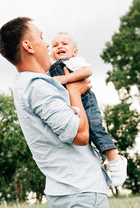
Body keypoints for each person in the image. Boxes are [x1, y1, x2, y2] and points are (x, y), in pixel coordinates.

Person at [0, 17, 115, 208]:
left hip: (74, 189)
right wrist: (74, 91)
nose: (46, 43)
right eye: (41, 37)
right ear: (28, 46)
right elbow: (80, 135)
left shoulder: (32, 83)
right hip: (79, 190)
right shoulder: (37, 86)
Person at [49, 32, 127, 187]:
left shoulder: (74, 61)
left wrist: (65, 79)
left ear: (74, 51)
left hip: (85, 101)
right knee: (79, 136)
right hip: (69, 104)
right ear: (51, 53)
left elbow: (86, 71)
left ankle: (115, 159)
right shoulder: (50, 69)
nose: (60, 47)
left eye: (64, 44)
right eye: (55, 45)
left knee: (94, 127)